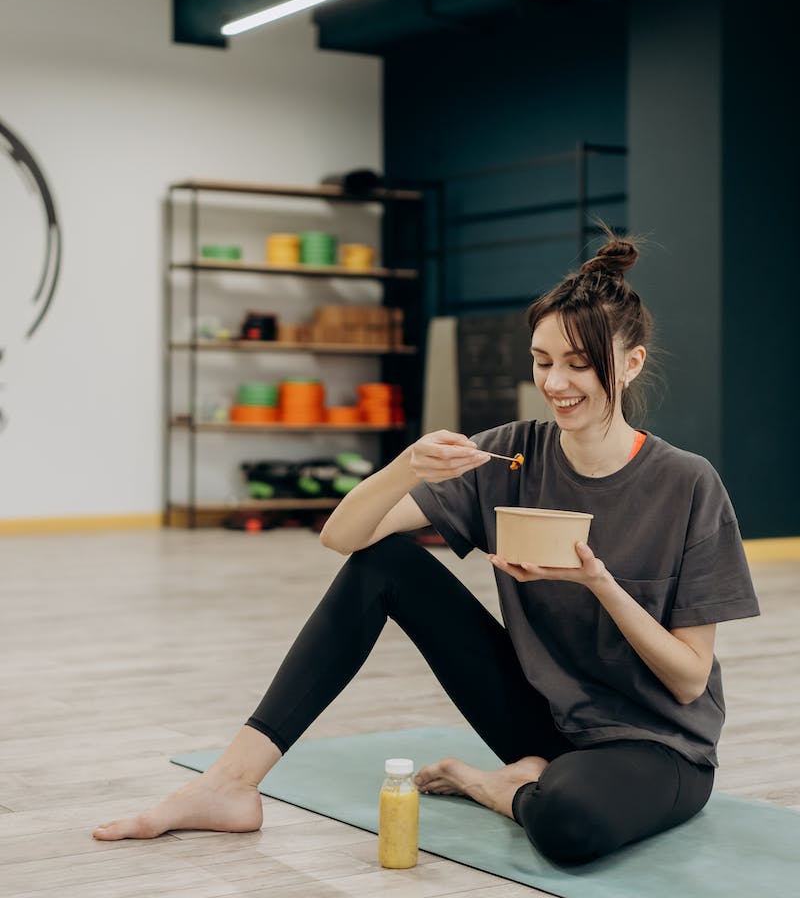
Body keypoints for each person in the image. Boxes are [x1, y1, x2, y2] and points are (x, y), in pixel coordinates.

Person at [94, 234, 759, 865]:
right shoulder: (511, 453)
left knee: (568, 826)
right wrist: (407, 464)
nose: (556, 382)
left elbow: (688, 679)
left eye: (579, 365)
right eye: (543, 361)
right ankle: (230, 782)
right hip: (545, 719)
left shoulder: (687, 484)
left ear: (632, 362)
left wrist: (600, 584)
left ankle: (497, 786)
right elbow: (343, 537)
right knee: (386, 564)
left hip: (655, 747)